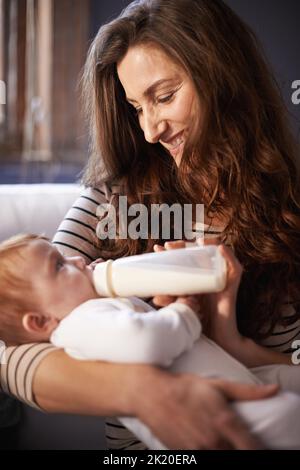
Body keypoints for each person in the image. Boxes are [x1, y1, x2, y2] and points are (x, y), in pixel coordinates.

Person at [1, 0, 299, 450]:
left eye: (164, 97)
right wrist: (144, 392)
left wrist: (228, 341)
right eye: (136, 107)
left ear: (223, 77)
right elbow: (11, 348)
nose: (149, 131)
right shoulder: (112, 200)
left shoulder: (291, 208)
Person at [0, 233, 300, 450]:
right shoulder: (79, 322)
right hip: (211, 412)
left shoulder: (92, 310)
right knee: (286, 416)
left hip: (235, 376)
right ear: (40, 321)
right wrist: (182, 311)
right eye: (59, 266)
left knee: (287, 379)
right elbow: (145, 342)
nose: (78, 259)